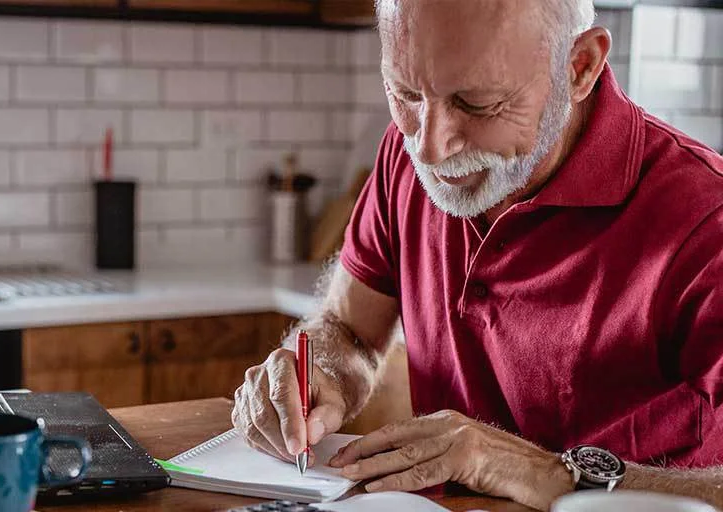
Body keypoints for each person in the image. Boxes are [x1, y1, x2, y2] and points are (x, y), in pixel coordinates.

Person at [232, 0, 723, 510]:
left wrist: (542, 471)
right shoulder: (406, 158)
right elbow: (349, 330)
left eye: (479, 104)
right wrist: (317, 376)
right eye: (404, 93)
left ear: (580, 66)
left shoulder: (706, 220)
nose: (429, 147)